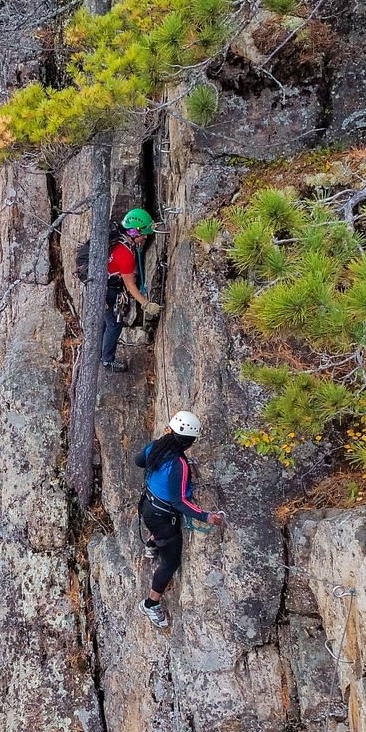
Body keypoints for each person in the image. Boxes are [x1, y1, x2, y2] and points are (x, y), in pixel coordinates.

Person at [134, 410, 225, 628]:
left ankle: (152, 542)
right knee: (171, 562)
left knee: (160, 532)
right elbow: (179, 502)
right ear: (190, 441)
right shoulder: (179, 464)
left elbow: (139, 461)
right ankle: (150, 603)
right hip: (163, 517)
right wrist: (206, 516)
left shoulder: (157, 447)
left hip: (148, 506)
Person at [101, 208, 162, 372]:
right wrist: (147, 304)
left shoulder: (117, 239)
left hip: (101, 286)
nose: (146, 237)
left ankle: (98, 349)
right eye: (144, 234)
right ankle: (107, 360)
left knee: (104, 321)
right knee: (115, 325)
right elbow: (130, 285)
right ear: (135, 232)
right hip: (110, 291)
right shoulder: (125, 254)